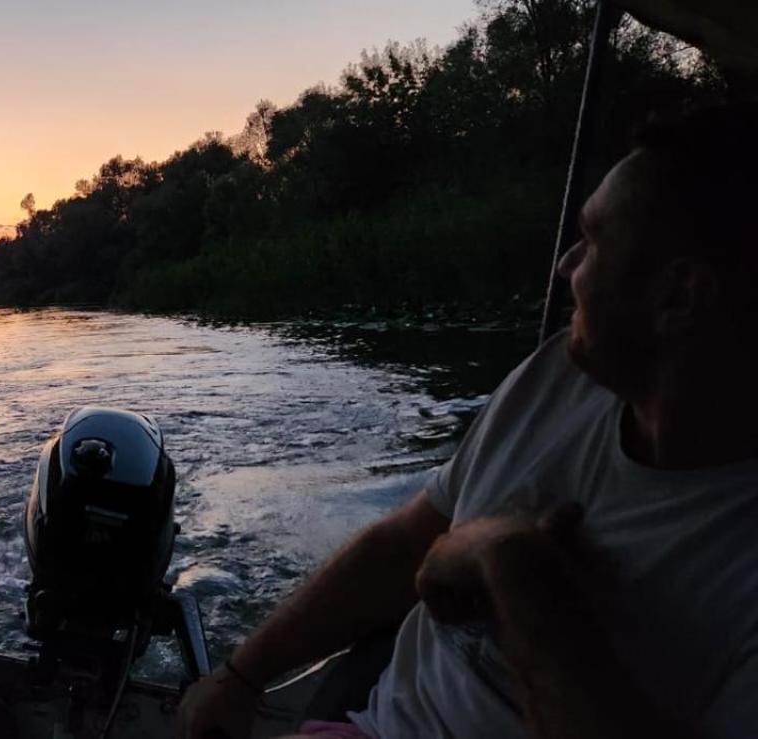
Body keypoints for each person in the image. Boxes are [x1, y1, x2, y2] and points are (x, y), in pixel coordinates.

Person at [178, 102, 758, 739]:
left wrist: (513, 568)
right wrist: (242, 676)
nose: (566, 266)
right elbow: (406, 542)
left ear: (678, 296)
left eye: (592, 243)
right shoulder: (562, 378)